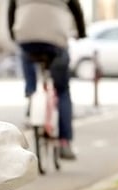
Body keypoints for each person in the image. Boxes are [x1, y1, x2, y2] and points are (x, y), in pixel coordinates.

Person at [8, 0, 86, 160]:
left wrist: (13, 33)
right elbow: (76, 9)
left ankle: (30, 92)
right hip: (55, 40)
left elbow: (11, 10)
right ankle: (65, 143)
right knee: (62, 90)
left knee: (25, 54)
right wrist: (82, 32)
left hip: (26, 37)